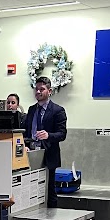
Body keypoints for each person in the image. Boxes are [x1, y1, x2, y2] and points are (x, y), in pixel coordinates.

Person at [24, 76, 67, 208]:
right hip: (31, 153)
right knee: (32, 189)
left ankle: (52, 214)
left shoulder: (58, 110)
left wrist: (48, 135)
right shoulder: (31, 109)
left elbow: (62, 134)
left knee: (49, 189)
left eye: (41, 89)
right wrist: (25, 145)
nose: (38, 92)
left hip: (48, 154)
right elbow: (26, 131)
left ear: (50, 91)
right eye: (36, 89)